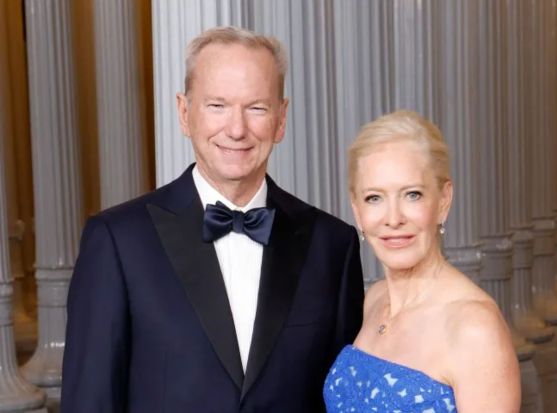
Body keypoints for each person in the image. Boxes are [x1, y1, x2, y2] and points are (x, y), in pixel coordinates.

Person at [61, 26, 364, 413]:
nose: (236, 129)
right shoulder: (117, 241)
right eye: (217, 105)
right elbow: (90, 402)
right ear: (185, 113)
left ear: (281, 119)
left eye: (256, 107)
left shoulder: (332, 245)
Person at [324, 110, 520, 412]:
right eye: (374, 198)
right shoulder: (374, 300)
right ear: (357, 210)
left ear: (443, 201)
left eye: (412, 195)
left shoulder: (475, 329)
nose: (393, 219)